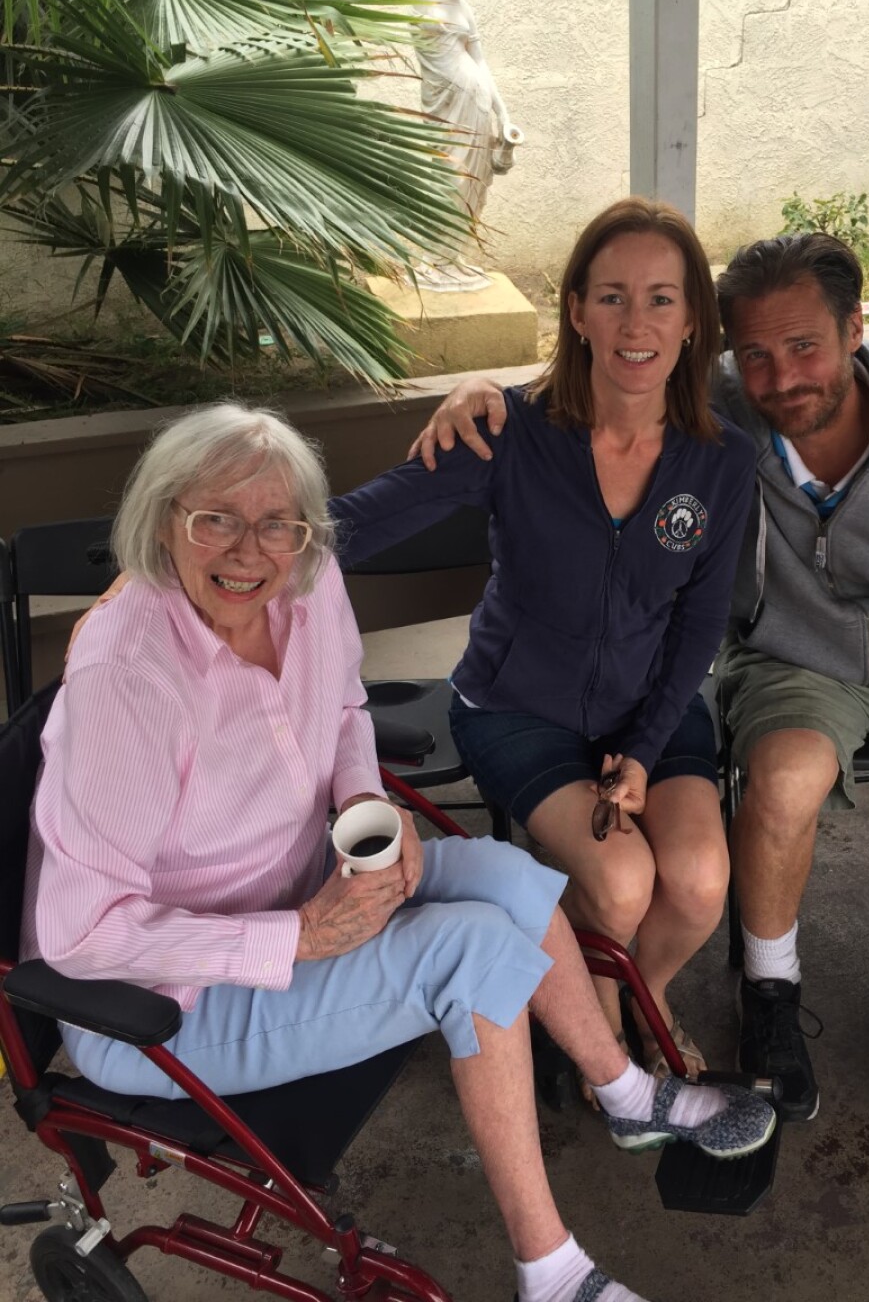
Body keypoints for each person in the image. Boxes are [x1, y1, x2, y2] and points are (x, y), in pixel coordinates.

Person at [22, 403, 774, 1302]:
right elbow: (81, 937)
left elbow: (342, 709)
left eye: (275, 524)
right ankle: (552, 1273)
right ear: (162, 521)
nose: (248, 552)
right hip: (162, 1006)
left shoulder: (302, 579)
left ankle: (623, 1095)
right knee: (473, 955)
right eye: (213, 518)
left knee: (511, 877)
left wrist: (369, 805)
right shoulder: (127, 679)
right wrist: (297, 937)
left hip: (301, 876)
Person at [404, 229, 869, 1126]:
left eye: (805, 346)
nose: (781, 378)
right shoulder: (721, 412)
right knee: (784, 782)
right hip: (795, 659)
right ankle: (769, 992)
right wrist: (486, 392)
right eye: (755, 353)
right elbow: (607, 385)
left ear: (855, 330)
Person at [330, 198, 758, 1088]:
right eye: (611, 297)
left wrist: (643, 750)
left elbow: (698, 624)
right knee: (624, 883)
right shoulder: (507, 434)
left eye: (661, 300)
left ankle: (651, 993)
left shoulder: (720, 463)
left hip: (653, 706)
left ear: (692, 322)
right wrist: (197, 553)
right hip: (516, 705)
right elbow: (354, 525)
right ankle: (602, 1031)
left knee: (701, 880)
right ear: (575, 310)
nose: (635, 323)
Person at [389, 0, 522, 288]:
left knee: (474, 182)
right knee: (445, 176)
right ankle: (432, 259)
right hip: (444, 102)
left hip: (477, 101)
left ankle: (455, 256)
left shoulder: (465, 9)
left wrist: (504, 115)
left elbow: (481, 64)